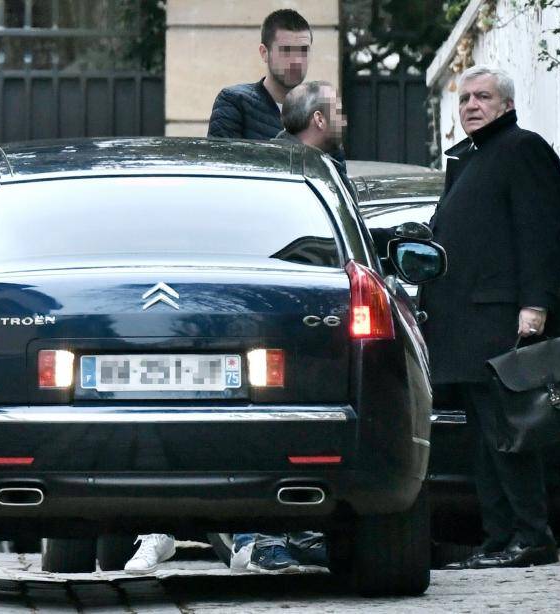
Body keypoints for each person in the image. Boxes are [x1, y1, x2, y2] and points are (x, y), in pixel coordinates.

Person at [421, 65, 560, 569]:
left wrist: (536, 305)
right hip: (464, 324)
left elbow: (540, 234)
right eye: (464, 99)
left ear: (505, 105)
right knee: (486, 437)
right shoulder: (470, 158)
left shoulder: (523, 149)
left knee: (512, 432)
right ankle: (500, 537)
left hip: (502, 320)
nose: (470, 106)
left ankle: (531, 535)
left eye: (482, 97)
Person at [228, 81, 350, 574]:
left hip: (310, 316)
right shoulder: (279, 172)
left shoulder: (323, 168)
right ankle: (255, 538)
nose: (344, 119)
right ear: (319, 120)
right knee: (262, 427)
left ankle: (297, 532)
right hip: (277, 316)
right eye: (338, 110)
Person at [207, 9, 311, 139]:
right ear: (264, 53)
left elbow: (335, 159)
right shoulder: (235, 101)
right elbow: (221, 157)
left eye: (303, 50)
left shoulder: (317, 110)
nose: (296, 61)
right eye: (286, 50)